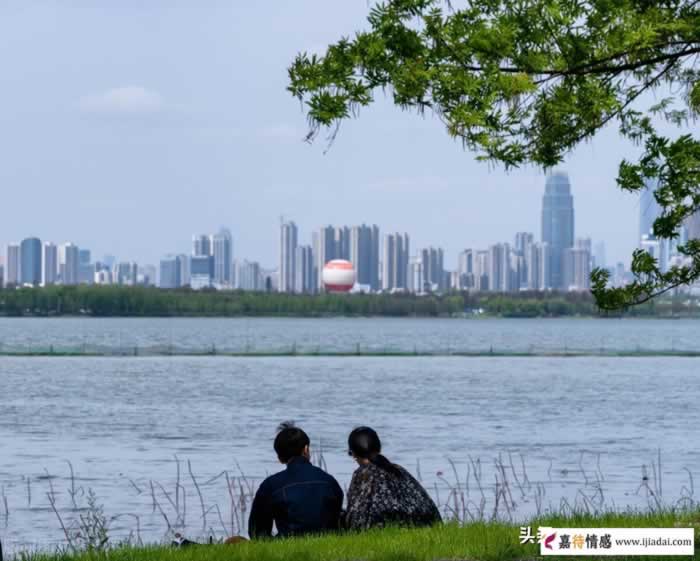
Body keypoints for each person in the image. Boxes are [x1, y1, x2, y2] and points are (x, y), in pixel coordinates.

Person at [248, 422, 344, 539]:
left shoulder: (270, 485)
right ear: (306, 449)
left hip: (286, 544)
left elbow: (257, 531)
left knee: (234, 541)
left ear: (279, 458)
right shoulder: (329, 481)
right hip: (329, 543)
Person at [343, 426, 441, 531]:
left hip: (384, 531)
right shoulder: (399, 470)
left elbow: (356, 518)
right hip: (425, 527)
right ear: (379, 448)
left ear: (353, 454)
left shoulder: (362, 474)